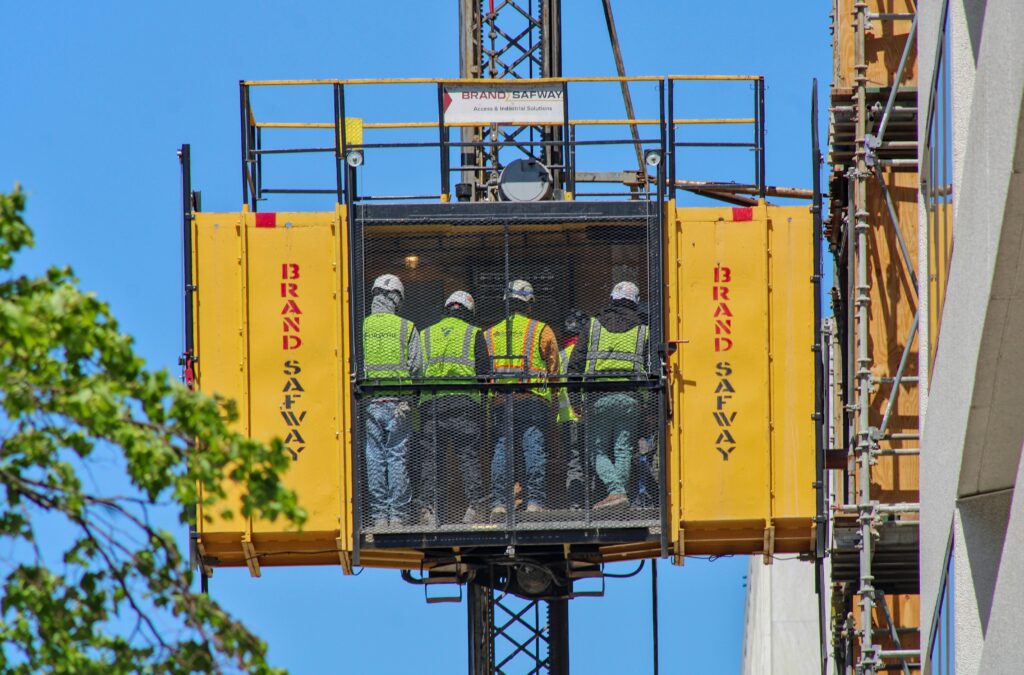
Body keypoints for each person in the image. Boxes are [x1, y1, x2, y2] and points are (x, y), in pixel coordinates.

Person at [568, 281, 649, 510]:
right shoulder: (644, 329)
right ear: (635, 301)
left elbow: (574, 365)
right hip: (630, 399)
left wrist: (575, 399)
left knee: (596, 451)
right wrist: (649, 403)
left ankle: (615, 492)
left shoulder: (592, 326)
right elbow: (652, 367)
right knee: (623, 450)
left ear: (612, 298)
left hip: (598, 397)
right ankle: (618, 497)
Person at [484, 279, 560, 519]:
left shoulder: (489, 333)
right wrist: (554, 396)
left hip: (500, 402)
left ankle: (499, 503)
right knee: (533, 450)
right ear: (529, 305)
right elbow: (554, 369)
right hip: (532, 400)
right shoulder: (541, 330)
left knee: (501, 451)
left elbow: (483, 371)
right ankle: (535, 502)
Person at [417, 291, 491, 524]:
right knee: (467, 457)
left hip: (432, 406)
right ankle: (475, 508)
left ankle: (427, 510)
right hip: (464, 404)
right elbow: (483, 373)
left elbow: (417, 370)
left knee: (431, 459)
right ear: (468, 311)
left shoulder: (425, 334)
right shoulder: (473, 333)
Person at [361, 273, 422, 527]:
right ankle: (397, 516)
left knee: (375, 458)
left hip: (371, 404)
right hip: (401, 404)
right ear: (396, 298)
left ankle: (378, 517)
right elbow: (417, 368)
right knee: (396, 458)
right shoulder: (406, 327)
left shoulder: (362, 326)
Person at [557, 309, 588, 509]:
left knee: (574, 462)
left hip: (567, 418)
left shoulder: (559, 356)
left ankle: (575, 504)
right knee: (593, 458)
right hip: (589, 415)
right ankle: (594, 502)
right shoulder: (589, 354)